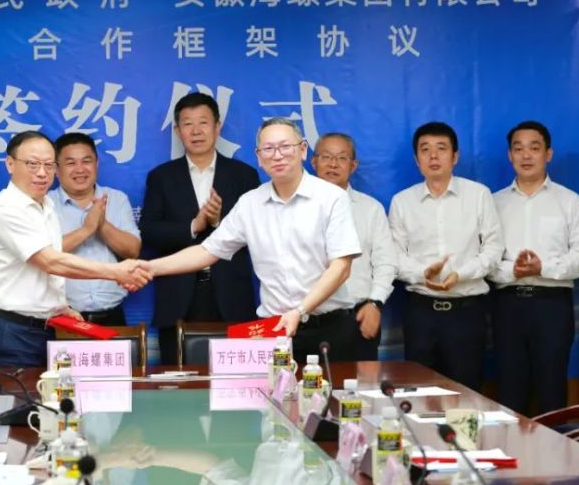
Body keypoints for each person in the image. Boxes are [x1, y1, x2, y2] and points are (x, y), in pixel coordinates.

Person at [144, 117, 360, 363]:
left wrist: (300, 310)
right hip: (275, 331)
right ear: (259, 157)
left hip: (329, 329)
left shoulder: (331, 198)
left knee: (333, 389)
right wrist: (149, 268)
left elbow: (341, 267)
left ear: (302, 150)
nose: (277, 155)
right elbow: (207, 251)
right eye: (268, 148)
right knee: (274, 390)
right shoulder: (250, 203)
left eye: (285, 147)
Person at [0, 131, 148, 368]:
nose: (42, 172)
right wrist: (115, 272)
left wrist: (60, 307)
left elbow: (42, 272)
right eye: (32, 164)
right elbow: (51, 262)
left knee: (49, 393)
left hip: (43, 327)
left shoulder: (45, 204)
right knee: (16, 394)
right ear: (10, 164)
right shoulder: (6, 209)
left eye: (48, 165)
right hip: (11, 332)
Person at [140, 92, 260, 365]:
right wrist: (195, 225)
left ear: (218, 126)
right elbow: (149, 232)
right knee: (176, 380)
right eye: (188, 124)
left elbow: (257, 233)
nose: (196, 131)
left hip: (231, 295)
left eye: (203, 122)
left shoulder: (244, 176)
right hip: (178, 296)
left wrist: (218, 222)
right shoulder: (161, 177)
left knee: (237, 380)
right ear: (177, 131)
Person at [388, 121, 504, 390]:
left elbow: (493, 249)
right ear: (416, 160)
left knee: (466, 392)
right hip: (420, 312)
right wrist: (423, 274)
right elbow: (394, 255)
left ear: (455, 156)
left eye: (441, 148)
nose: (433, 156)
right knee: (418, 391)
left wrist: (459, 275)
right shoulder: (402, 202)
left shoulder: (478, 195)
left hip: (466, 312)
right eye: (425, 149)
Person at [490, 121, 579, 415]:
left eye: (534, 148)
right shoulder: (494, 202)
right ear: (510, 155)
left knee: (552, 389)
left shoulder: (569, 201)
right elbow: (486, 258)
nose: (526, 155)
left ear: (548, 154)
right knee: (509, 391)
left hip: (552, 306)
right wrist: (513, 271)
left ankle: (555, 445)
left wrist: (542, 267)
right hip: (507, 305)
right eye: (518, 148)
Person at [312, 132, 396, 360]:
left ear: (353, 165)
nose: (333, 164)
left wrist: (375, 304)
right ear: (314, 161)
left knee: (359, 384)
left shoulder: (370, 209)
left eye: (341, 158)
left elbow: (386, 263)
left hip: (357, 318)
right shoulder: (295, 207)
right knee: (304, 382)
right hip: (306, 320)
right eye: (326, 156)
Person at [48, 132, 141, 326]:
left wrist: (102, 225)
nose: (80, 169)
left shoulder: (116, 198)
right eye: (71, 163)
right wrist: (87, 229)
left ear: (97, 163)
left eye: (86, 161)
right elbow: (44, 255)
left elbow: (132, 250)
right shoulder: (45, 204)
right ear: (56, 169)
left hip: (112, 315)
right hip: (63, 317)